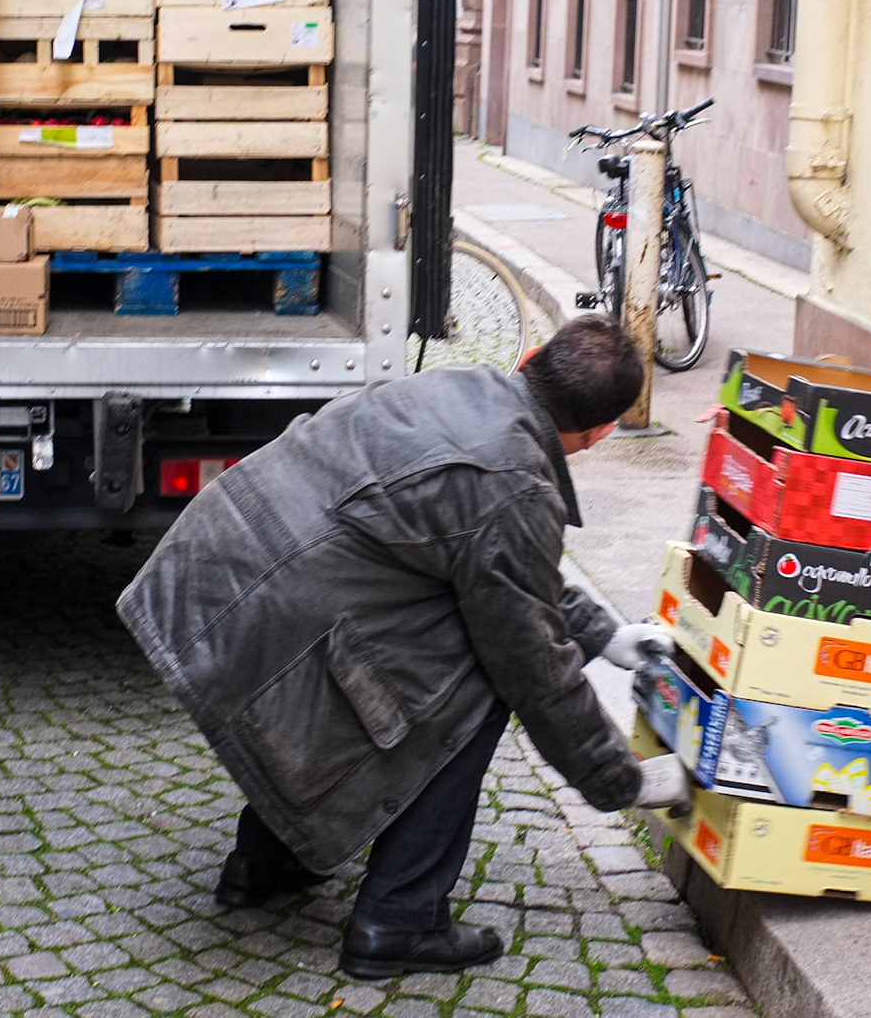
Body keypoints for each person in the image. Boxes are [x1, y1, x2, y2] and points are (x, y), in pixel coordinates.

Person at [116, 315, 692, 979]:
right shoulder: (513, 482)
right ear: (598, 433)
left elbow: (498, 564)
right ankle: (399, 920)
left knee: (447, 636)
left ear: (530, 356)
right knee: (481, 684)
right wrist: (626, 780)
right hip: (271, 613)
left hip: (209, 577)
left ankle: (268, 861)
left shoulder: (458, 386)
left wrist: (605, 633)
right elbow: (534, 665)